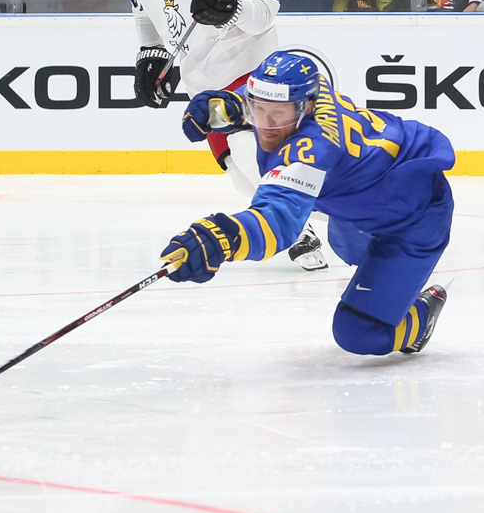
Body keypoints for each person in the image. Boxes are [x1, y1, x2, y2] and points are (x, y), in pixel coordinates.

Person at [162, 51, 452, 355]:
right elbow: (269, 96)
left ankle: (422, 315)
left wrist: (224, 237)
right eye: (257, 108)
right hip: (366, 201)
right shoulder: (313, 87)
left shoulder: (311, 150)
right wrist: (231, 104)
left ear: (307, 107)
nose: (266, 124)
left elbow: (278, 222)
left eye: (280, 114)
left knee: (359, 334)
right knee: (352, 252)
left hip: (416, 218)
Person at [126, 0, 328, 269]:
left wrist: (233, 9)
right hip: (203, 81)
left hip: (250, 70)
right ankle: (300, 224)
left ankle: (324, 223)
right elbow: (143, 15)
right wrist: (149, 54)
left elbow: (268, 6)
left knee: (248, 156)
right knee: (236, 173)